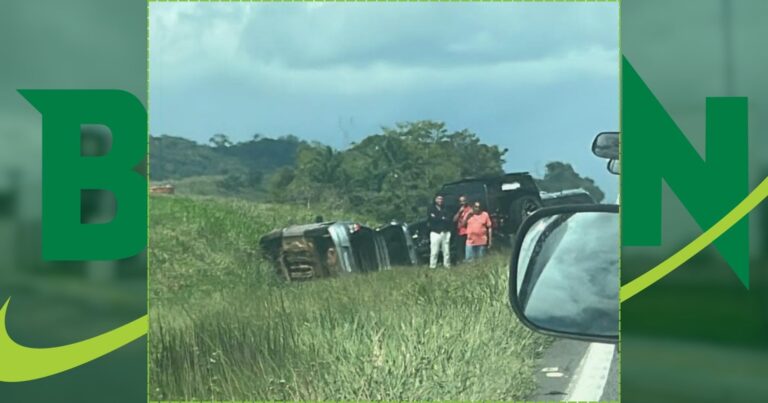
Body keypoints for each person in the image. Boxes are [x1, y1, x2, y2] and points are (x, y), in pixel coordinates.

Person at [427, 195, 452, 268]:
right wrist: (442, 218)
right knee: (434, 251)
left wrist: (440, 218)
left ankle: (447, 266)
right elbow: (432, 219)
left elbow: (448, 219)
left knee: (446, 251)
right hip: (435, 232)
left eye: (441, 199)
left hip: (445, 232)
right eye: (438, 199)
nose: (440, 200)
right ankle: (432, 266)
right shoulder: (431, 208)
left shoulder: (445, 208)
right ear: (435, 199)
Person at [452, 195, 473, 262]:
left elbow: (464, 223)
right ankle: (461, 261)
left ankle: (469, 260)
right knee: (460, 248)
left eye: (463, 201)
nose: (462, 203)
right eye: (461, 201)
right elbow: (454, 220)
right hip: (460, 232)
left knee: (468, 248)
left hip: (468, 231)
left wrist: (466, 215)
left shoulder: (470, 210)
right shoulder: (459, 209)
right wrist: (459, 212)